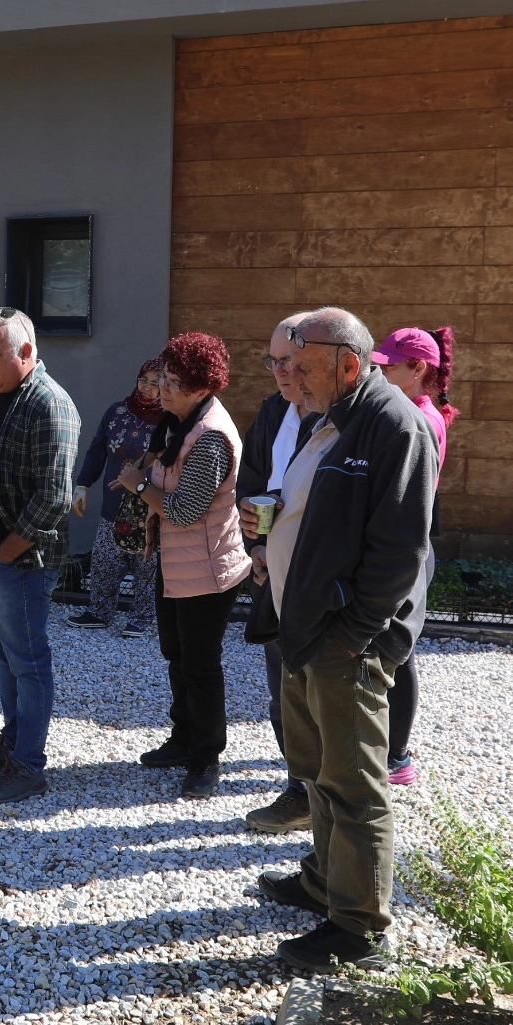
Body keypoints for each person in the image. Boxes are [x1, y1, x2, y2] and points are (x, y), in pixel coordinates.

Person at [246, 307, 437, 972]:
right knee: (319, 773)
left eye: (301, 366)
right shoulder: (331, 415)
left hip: (342, 643)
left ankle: (357, 928)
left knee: (353, 783)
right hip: (306, 633)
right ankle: (324, 880)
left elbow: (400, 552)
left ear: (347, 365)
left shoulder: (393, 425)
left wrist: (355, 636)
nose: (288, 377)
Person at [120, 333, 251, 800]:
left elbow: (182, 510)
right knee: (176, 656)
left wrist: (138, 486)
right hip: (177, 565)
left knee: (200, 665)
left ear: (202, 387)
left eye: (175, 382)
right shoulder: (177, 422)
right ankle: (183, 739)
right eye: (163, 379)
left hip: (210, 571)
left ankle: (206, 759)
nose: (163, 389)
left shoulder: (211, 434)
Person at [0, 308, 79, 804]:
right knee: (3, 656)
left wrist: (8, 551)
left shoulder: (49, 405)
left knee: (27, 661)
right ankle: (12, 742)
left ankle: (29, 764)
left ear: (26, 353)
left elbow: (53, 495)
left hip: (19, 561)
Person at [241, 315, 320, 834]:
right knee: (283, 689)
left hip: (321, 579)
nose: (280, 372)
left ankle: (328, 796)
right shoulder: (274, 411)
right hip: (274, 570)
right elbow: (251, 480)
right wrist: (256, 543)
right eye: (273, 362)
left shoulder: (345, 418)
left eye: (289, 362)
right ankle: (298, 789)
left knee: (324, 693)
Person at [373, 325, 457, 787]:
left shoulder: (420, 417)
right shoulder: (414, 409)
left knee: (398, 649)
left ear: (418, 368)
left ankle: (398, 757)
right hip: (409, 543)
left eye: (390, 364)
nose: (380, 370)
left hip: (408, 546)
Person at [67, 359, 162, 639]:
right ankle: (99, 611)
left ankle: (144, 618)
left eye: (155, 384)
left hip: (149, 506)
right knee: (105, 560)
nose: (147, 388)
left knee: (148, 564)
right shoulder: (117, 412)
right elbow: (97, 450)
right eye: (143, 380)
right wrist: (83, 485)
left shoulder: (170, 419)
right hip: (113, 504)